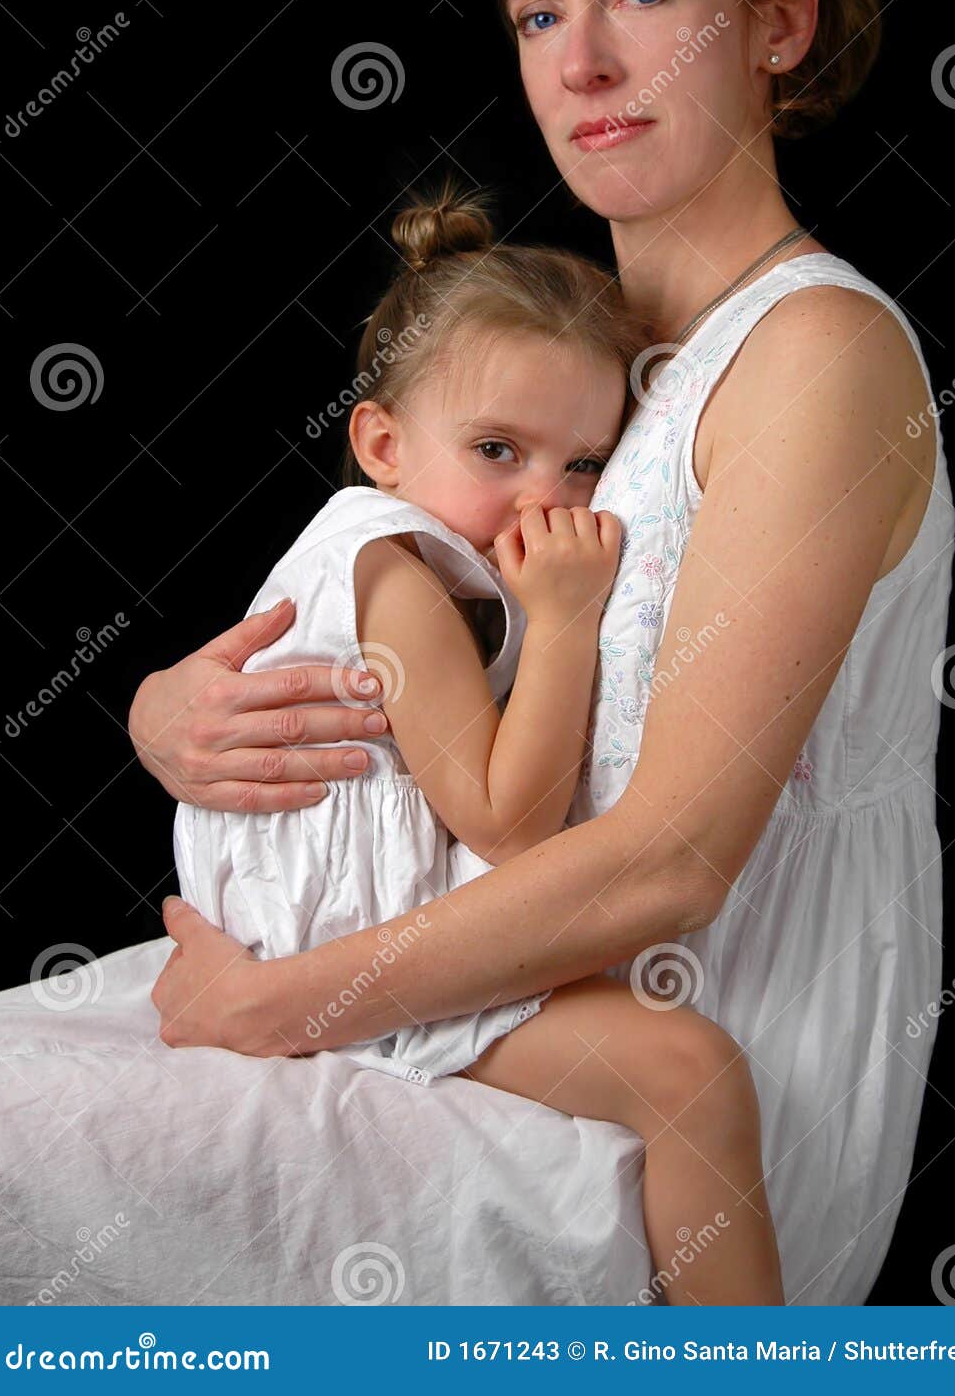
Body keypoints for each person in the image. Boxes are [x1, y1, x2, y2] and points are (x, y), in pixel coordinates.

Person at [134, 0, 955, 1303]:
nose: (579, 64)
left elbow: (675, 859)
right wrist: (182, 712)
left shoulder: (814, 354)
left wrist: (272, 1009)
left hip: (712, 1063)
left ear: (778, 24)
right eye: (535, 13)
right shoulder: (581, 363)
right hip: (481, 978)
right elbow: (391, 604)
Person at [171, 180, 783, 1304]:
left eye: (583, 462)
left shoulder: (376, 549)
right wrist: (562, 623)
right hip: (338, 937)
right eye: (498, 448)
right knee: (688, 1073)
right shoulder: (397, 578)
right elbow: (505, 821)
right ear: (382, 442)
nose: (541, 498)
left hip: (324, 912)